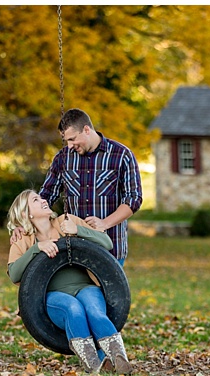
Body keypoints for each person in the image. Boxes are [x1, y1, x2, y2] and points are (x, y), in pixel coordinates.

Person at [5, 189, 135, 374]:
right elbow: (15, 273)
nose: (43, 200)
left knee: (94, 310)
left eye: (41, 197)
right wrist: (37, 248)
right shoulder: (23, 240)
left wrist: (78, 231)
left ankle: (119, 358)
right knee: (73, 307)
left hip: (85, 287)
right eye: (36, 200)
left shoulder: (68, 221)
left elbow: (106, 243)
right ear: (27, 213)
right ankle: (92, 363)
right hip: (52, 296)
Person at [40, 109, 142, 269]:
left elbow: (133, 199)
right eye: (66, 140)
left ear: (86, 130)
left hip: (111, 249)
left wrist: (104, 223)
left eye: (73, 139)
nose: (70, 145)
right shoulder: (63, 158)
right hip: (74, 250)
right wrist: (23, 223)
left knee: (107, 295)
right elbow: (46, 196)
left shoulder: (122, 155)